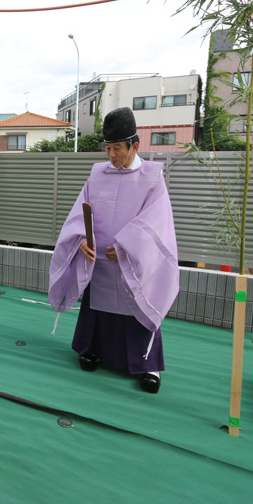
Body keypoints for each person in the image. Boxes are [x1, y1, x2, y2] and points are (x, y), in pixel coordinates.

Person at [48, 107, 179, 394]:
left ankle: (148, 364)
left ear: (134, 146)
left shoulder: (153, 177)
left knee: (139, 306)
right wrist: (80, 239)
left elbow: (155, 223)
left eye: (117, 149)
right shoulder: (97, 174)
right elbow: (78, 213)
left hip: (131, 261)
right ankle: (93, 349)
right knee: (98, 309)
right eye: (107, 148)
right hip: (99, 262)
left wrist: (126, 247)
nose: (111, 155)